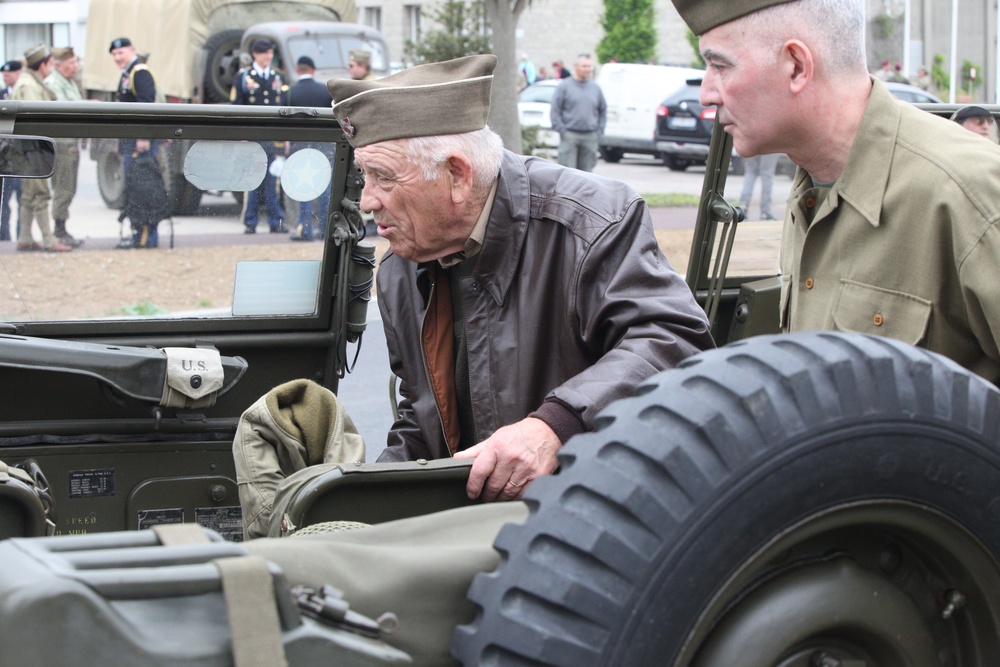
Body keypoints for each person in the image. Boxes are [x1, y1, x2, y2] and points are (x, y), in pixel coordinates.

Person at [232, 56, 713, 662]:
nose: (369, 204)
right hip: (474, 543)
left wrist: (555, 425)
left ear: (456, 174)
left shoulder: (590, 221)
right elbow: (421, 417)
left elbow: (674, 340)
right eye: (363, 181)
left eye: (382, 178)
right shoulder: (402, 270)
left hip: (601, 539)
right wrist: (362, 504)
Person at [675, 0, 1000, 384]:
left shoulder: (969, 193)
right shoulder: (812, 186)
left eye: (720, 66)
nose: (706, 94)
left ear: (796, 65)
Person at [11, 44, 71, 253]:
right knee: (39, 194)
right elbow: (34, 120)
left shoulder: (28, 82)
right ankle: (48, 239)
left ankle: (25, 237)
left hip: (27, 149)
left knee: (29, 195)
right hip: (32, 149)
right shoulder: (30, 86)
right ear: (43, 64)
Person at [231, 39, 289, 234]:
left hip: (272, 137)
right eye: (265, 53)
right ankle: (250, 221)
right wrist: (242, 134)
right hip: (252, 137)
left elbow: (284, 108)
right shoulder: (244, 76)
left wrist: (283, 137)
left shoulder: (278, 76)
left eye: (271, 53)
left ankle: (276, 221)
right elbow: (237, 108)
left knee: (273, 183)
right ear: (256, 54)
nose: (269, 57)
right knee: (252, 182)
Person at [110, 36, 163, 248]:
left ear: (132, 50)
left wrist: (143, 136)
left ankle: (146, 238)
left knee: (144, 191)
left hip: (139, 143)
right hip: (130, 141)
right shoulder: (128, 73)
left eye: (120, 53)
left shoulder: (139, 72)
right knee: (134, 189)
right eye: (114, 55)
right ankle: (138, 234)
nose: (117, 57)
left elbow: (145, 107)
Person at [288, 55, 334, 241]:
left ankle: (305, 228)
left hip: (300, 144)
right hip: (323, 144)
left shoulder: (291, 91)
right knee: (324, 187)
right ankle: (324, 228)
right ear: (313, 70)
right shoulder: (324, 90)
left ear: (298, 70)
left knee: (303, 186)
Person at [43, 46, 84, 247]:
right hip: (62, 144)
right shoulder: (53, 83)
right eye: (71, 63)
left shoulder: (68, 82)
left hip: (70, 143)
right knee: (63, 188)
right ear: (58, 65)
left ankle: (62, 228)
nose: (75, 66)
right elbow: (65, 109)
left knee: (69, 188)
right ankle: (59, 230)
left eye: (76, 61)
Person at [549, 53, 607, 172]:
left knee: (587, 175)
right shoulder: (564, 86)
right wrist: (562, 130)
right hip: (570, 135)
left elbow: (603, 110)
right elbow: (555, 110)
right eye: (584, 66)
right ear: (576, 66)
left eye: (589, 66)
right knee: (567, 173)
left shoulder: (596, 88)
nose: (587, 69)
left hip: (590, 136)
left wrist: (599, 131)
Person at [0, 60, 22, 242]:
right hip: (5, 159)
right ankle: (4, 238)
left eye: (8, 74)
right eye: (3, 75)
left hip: (22, 158)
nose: (5, 78)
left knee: (25, 201)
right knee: (3, 202)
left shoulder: (23, 93)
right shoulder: (1, 95)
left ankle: (22, 235)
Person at [738, 153, 779, 220]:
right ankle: (765, 212)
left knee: (750, 172)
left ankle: (743, 206)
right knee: (767, 175)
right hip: (770, 145)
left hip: (752, 144)